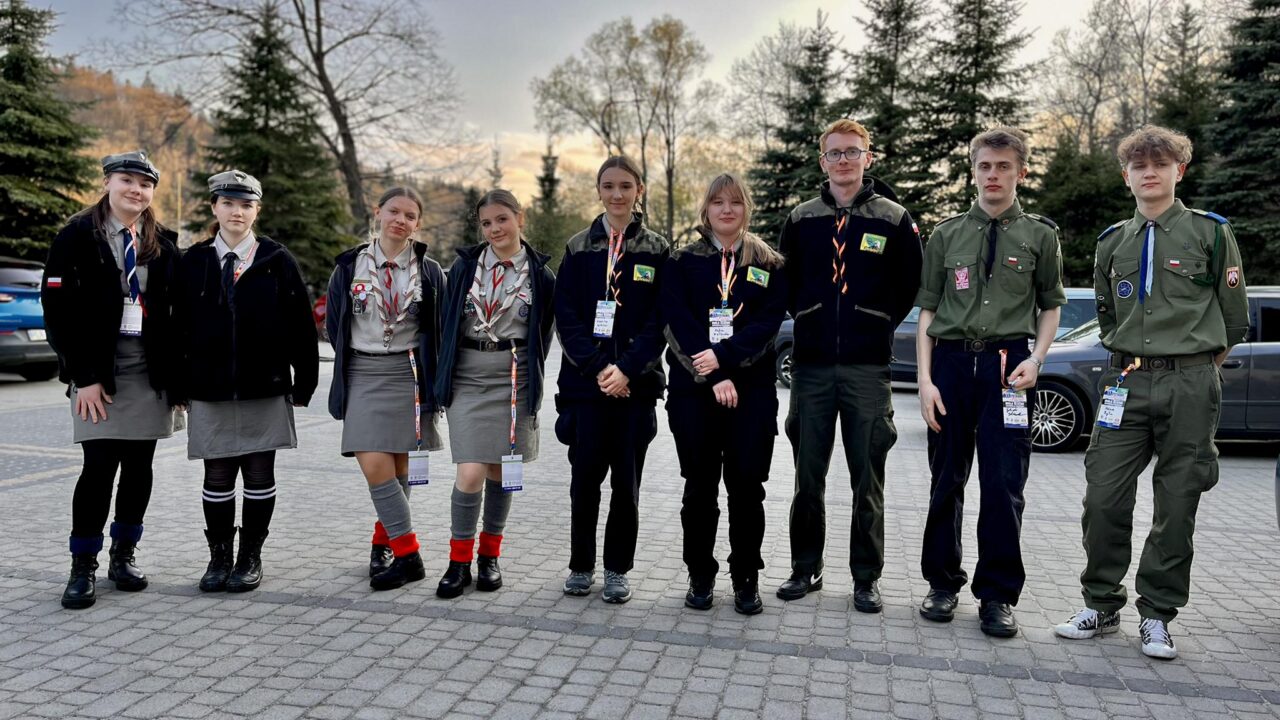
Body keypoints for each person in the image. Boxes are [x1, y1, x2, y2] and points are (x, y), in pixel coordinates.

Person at [1053, 125, 1249, 659]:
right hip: (1125, 380)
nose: (1149, 173)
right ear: (1126, 176)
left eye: (1160, 164)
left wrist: (1193, 367)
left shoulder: (1211, 233)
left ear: (1178, 171)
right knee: (1103, 497)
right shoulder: (1112, 241)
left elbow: (1234, 320)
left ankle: (1157, 614)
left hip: (1190, 382)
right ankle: (1101, 603)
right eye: (1139, 166)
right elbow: (1105, 313)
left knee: (1177, 502)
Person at [914, 128, 1066, 637]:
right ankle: (941, 583)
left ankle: (997, 595)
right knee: (946, 480)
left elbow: (1050, 306)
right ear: (973, 171)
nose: (993, 175)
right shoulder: (946, 235)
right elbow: (928, 311)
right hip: (952, 365)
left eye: (1003, 166)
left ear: (1021, 171)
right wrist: (925, 381)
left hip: (1009, 369)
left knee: (1003, 484)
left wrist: (1037, 359)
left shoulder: (1041, 236)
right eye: (985, 166)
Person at [776, 118, 923, 612]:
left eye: (852, 152)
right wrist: (811, 316)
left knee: (868, 479)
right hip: (812, 368)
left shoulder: (893, 218)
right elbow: (787, 282)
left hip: (867, 369)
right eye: (835, 153)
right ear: (823, 161)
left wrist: (874, 321)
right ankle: (806, 568)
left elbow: (909, 284)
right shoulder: (801, 218)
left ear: (868, 158)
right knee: (807, 478)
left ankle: (866, 577)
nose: (843, 160)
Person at [41, 151, 182, 609]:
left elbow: (178, 314)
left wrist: (178, 380)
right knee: (98, 466)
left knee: (140, 466)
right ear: (107, 183)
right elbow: (57, 312)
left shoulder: (162, 241)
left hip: (147, 370)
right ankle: (82, 565)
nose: (136, 190)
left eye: (145, 184)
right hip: (98, 370)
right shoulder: (76, 236)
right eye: (127, 180)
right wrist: (83, 376)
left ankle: (124, 555)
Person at [177, 170, 319, 593]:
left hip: (265, 385)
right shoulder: (194, 261)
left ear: (257, 211)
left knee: (259, 473)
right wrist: (177, 382)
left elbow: (301, 325)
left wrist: (305, 382)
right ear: (215, 207)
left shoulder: (277, 260)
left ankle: (250, 556)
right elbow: (176, 326)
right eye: (228, 203)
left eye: (246, 205)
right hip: (210, 387)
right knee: (217, 474)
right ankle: (219, 557)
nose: (236, 212)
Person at [662, 173, 787, 614]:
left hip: (751, 393)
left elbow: (767, 324)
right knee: (699, 489)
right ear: (706, 209)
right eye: (718, 202)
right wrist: (713, 374)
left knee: (747, 489)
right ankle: (700, 575)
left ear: (746, 208)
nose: (727, 209)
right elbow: (676, 321)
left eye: (735, 201)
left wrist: (725, 360)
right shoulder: (682, 261)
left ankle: (746, 578)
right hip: (694, 392)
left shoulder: (769, 262)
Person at [554, 156, 669, 604]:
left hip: (635, 389)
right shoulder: (579, 247)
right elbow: (566, 316)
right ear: (598, 191)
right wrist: (600, 368)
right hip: (587, 388)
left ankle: (617, 568)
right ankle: (581, 566)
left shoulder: (657, 249)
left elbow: (660, 320)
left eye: (625, 186)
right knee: (584, 483)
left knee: (627, 485)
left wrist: (627, 370)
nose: (617, 194)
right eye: (608, 186)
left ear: (639, 190)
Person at [434, 189, 555, 598]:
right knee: (470, 471)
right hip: (469, 376)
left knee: (503, 471)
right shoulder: (465, 267)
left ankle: (489, 557)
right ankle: (458, 562)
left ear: (520, 218)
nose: (494, 229)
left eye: (502, 219)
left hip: (514, 377)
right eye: (486, 223)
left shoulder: (541, 275)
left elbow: (543, 337)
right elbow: (446, 322)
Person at [326, 186, 447, 591]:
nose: (400, 220)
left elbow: (438, 328)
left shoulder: (429, 271)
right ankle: (410, 556)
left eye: (410, 215)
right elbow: (336, 323)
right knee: (374, 462)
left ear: (417, 223)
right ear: (378, 212)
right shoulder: (350, 266)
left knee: (400, 468)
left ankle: (385, 545)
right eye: (394, 211)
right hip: (363, 371)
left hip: (409, 374)